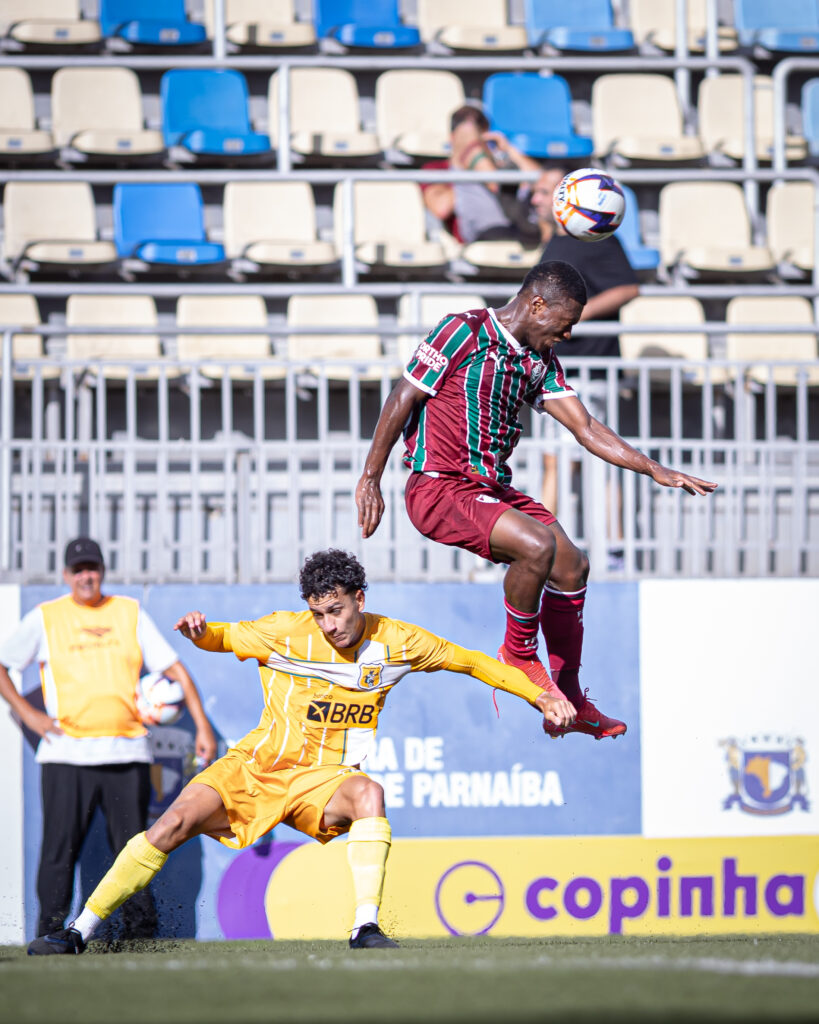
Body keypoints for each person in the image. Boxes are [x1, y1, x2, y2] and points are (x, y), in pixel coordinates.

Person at [27, 549, 575, 955]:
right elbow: (223, 636)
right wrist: (200, 632)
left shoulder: (401, 642)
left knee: (371, 794)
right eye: (319, 614)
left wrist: (543, 695)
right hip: (255, 767)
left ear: (360, 599)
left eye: (336, 611)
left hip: (324, 778)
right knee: (169, 825)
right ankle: (78, 932)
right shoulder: (285, 633)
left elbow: (475, 662)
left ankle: (365, 927)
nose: (329, 625)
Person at [355, 263, 717, 740]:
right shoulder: (462, 331)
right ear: (537, 303)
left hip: (489, 488)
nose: (567, 334)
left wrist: (653, 468)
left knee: (572, 565)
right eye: (565, 323)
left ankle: (569, 697)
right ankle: (520, 657)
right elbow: (404, 396)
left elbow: (585, 428)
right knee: (537, 545)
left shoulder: (538, 360)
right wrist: (370, 477)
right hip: (439, 487)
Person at [0, 537, 217, 941]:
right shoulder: (46, 617)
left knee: (135, 850)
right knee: (58, 854)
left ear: (102, 572)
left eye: (93, 568)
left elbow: (175, 669)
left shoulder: (128, 612)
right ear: (66, 575)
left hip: (127, 750)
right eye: (79, 569)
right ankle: (49, 932)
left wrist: (202, 725)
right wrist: (30, 715)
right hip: (66, 754)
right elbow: (3, 665)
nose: (87, 576)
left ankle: (140, 935)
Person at [420, 105, 531, 246]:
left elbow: (542, 182)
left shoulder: (502, 163)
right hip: (479, 234)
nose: (479, 146)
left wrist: (508, 150)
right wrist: (464, 169)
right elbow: (441, 208)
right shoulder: (435, 169)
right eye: (473, 141)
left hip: (515, 227)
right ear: (452, 138)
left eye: (483, 141)